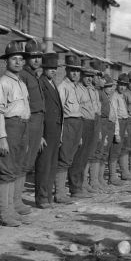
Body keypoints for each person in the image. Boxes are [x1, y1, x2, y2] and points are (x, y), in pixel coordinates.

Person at [0, 41, 31, 226]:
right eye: (14, 59)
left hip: (22, 127)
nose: (18, 62)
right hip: (9, 127)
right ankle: (4, 213)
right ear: (6, 61)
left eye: (21, 59)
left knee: (15, 170)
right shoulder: (3, 83)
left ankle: (11, 209)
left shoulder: (21, 83)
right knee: (5, 170)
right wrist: (2, 137)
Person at [16, 39, 45, 215]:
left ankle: (17, 200)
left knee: (28, 164)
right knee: (22, 162)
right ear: (26, 58)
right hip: (29, 121)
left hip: (38, 123)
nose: (36, 60)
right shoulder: (24, 76)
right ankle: (16, 201)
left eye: (38, 57)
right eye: (32, 57)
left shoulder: (36, 76)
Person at [34, 52, 63, 209]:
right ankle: (41, 198)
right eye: (49, 68)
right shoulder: (41, 83)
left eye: (55, 68)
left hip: (55, 130)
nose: (53, 70)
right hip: (45, 131)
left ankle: (48, 196)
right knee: (43, 165)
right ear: (43, 68)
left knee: (52, 165)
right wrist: (40, 135)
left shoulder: (52, 83)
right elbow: (40, 111)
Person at [67, 63, 99, 198]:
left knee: (86, 156)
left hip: (92, 123)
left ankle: (82, 184)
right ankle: (75, 188)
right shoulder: (77, 89)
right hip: (82, 123)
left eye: (91, 77)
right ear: (82, 76)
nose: (89, 79)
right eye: (86, 76)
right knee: (78, 157)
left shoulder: (92, 90)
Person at [55, 55, 83, 202]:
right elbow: (58, 113)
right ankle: (59, 193)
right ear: (67, 70)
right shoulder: (62, 87)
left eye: (77, 71)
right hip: (67, 125)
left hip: (77, 124)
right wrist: (60, 135)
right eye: (72, 71)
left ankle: (65, 192)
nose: (75, 74)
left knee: (70, 159)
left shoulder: (77, 87)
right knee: (64, 159)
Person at [91, 72, 117, 189]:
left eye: (111, 87)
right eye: (108, 87)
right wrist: (100, 130)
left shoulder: (107, 96)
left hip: (107, 123)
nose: (110, 89)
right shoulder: (100, 94)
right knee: (97, 153)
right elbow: (99, 112)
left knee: (103, 153)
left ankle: (100, 178)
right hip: (101, 123)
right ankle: (94, 180)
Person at [108, 73, 131, 183]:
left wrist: (124, 129)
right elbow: (115, 115)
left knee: (122, 149)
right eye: (121, 85)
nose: (123, 87)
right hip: (118, 124)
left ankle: (124, 172)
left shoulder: (122, 96)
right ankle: (112, 176)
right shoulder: (114, 96)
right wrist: (116, 132)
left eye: (125, 85)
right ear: (117, 84)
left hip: (124, 123)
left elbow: (124, 112)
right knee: (115, 150)